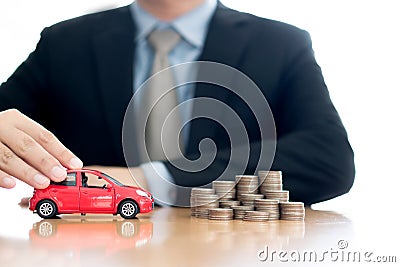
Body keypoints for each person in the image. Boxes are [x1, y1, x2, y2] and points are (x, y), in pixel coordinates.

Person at [0, 0, 355, 206]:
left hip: (227, 250)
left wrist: (153, 179)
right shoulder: (65, 42)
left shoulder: (281, 44)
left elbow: (329, 158)